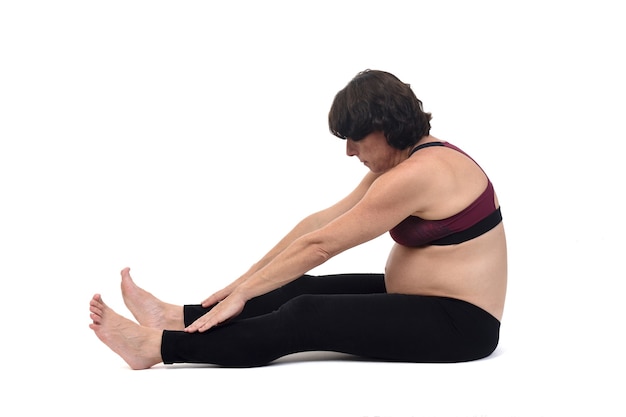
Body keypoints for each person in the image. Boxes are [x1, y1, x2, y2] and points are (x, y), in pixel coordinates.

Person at [89, 69, 507, 369]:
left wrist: (243, 293)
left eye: (354, 139)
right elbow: (318, 224)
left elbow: (323, 246)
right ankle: (178, 317)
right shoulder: (405, 163)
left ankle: (157, 346)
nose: (349, 152)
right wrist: (242, 283)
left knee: (306, 314)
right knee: (295, 286)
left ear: (383, 127)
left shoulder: (420, 174)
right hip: (424, 302)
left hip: (460, 326)